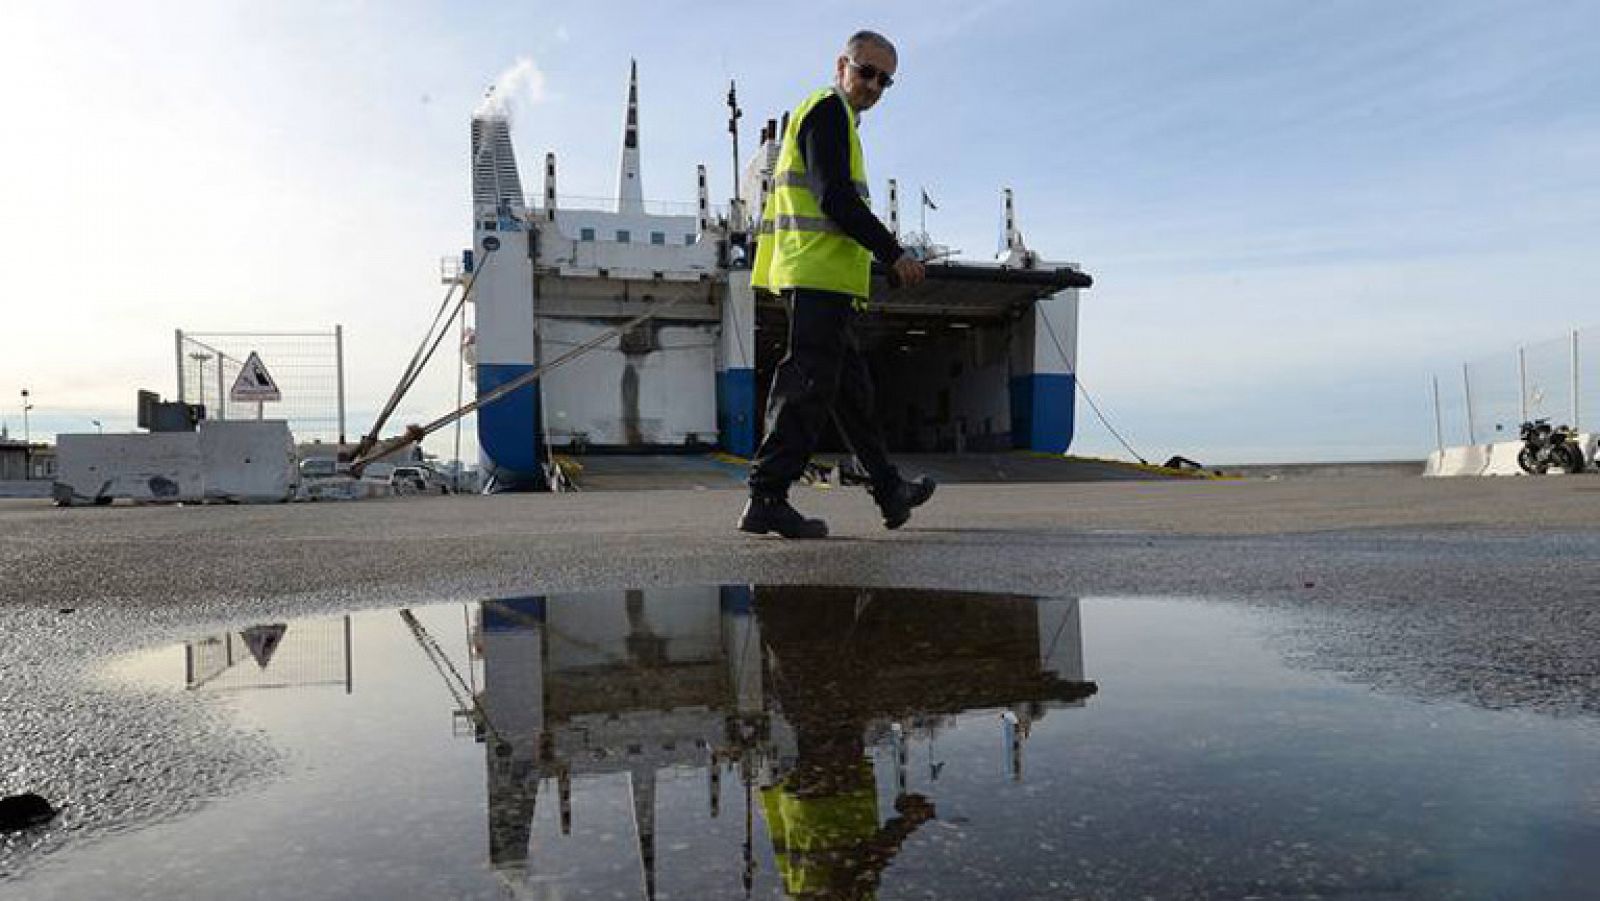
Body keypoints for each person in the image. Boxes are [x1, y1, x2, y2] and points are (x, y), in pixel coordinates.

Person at [739, 29, 936, 540]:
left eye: (885, 80)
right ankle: (766, 496)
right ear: (841, 65)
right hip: (815, 275)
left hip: (828, 279)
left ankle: (889, 490)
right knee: (805, 387)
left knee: (852, 394)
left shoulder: (842, 120)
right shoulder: (827, 111)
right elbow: (835, 199)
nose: (873, 85)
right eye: (866, 71)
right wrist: (893, 252)